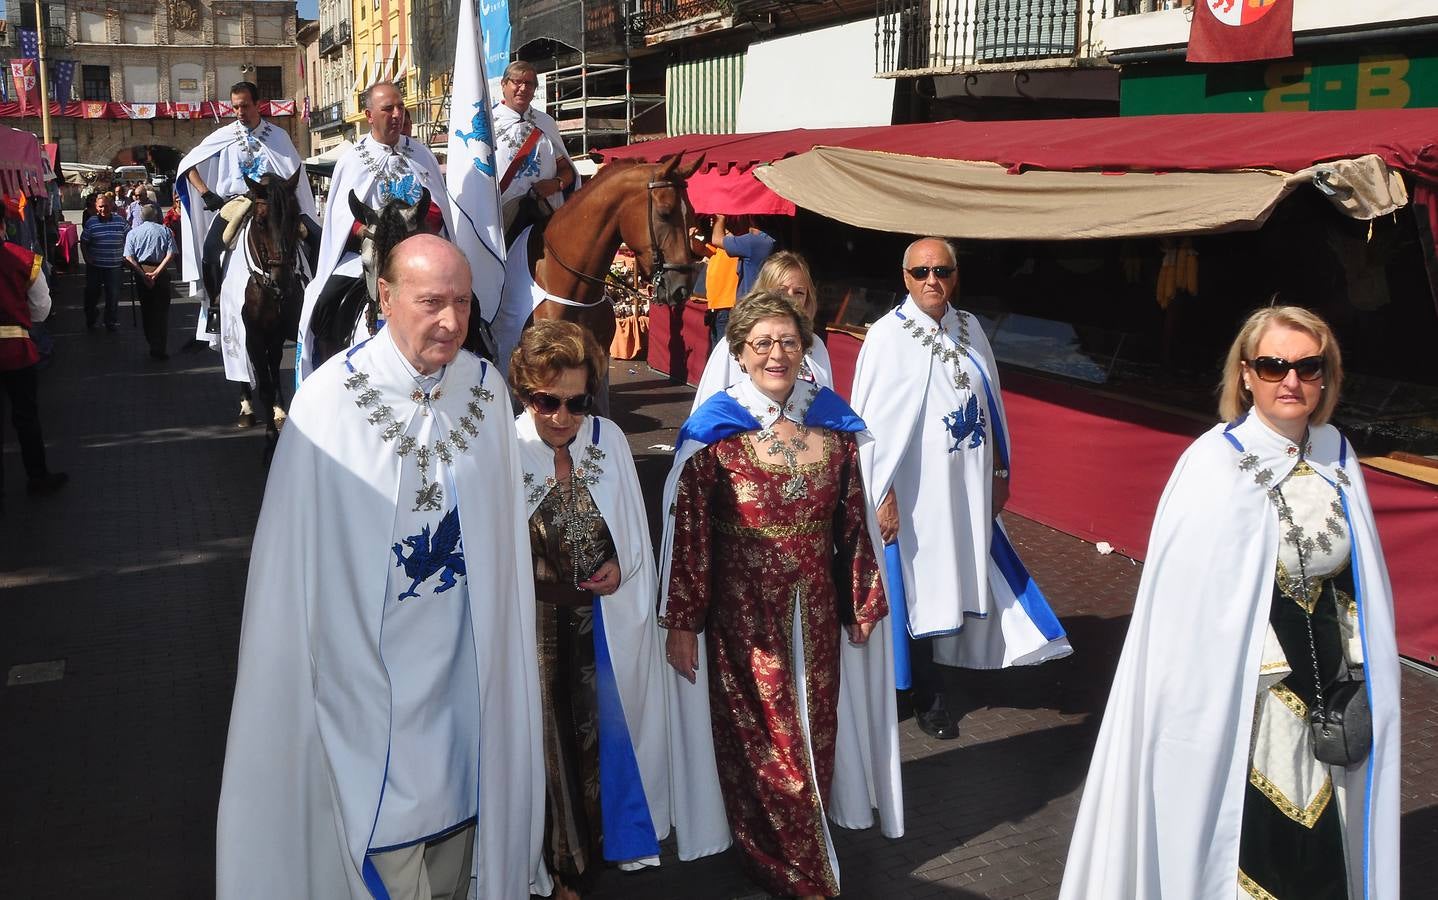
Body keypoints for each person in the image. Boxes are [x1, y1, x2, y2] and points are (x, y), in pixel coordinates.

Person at [216, 235, 546, 899]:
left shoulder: (485, 390)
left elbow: (502, 541)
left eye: (462, 302)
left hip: (464, 689)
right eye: (431, 303)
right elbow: (291, 565)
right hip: (369, 696)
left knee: (456, 864)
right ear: (386, 297)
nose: (451, 321)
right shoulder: (327, 403)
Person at [1059, 306, 1400, 900]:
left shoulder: (1337, 453)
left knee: (1327, 839)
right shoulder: (1214, 464)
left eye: (1308, 367)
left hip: (1331, 688)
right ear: (1245, 374)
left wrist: (1362, 663)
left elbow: (1355, 582)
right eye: (1272, 366)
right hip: (1245, 698)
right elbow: (1190, 610)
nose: (1290, 380)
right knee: (1259, 842)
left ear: (1327, 377)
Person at [659, 291, 903, 899]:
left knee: (814, 736)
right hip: (745, 620)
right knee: (767, 747)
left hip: (815, 616)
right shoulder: (715, 432)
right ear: (739, 353)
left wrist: (860, 601)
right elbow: (689, 536)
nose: (777, 354)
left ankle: (798, 847)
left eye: (789, 342)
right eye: (763, 343)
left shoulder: (833, 424)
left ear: (805, 349)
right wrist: (683, 622)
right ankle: (793, 868)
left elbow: (853, 525)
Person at [850, 237, 1070, 741]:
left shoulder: (970, 327)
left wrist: (999, 473)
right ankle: (922, 693)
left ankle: (935, 676)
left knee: (953, 579)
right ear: (905, 277)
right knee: (914, 585)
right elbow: (871, 425)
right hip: (913, 495)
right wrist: (881, 493)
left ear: (955, 275)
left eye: (942, 270)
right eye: (921, 271)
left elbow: (992, 406)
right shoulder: (886, 336)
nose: (933, 280)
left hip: (964, 489)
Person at [511, 320, 670, 899]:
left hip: (604, 625)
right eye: (546, 401)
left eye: (576, 402)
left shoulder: (609, 440)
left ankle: (616, 841)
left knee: (605, 740)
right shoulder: (505, 448)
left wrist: (622, 566)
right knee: (551, 750)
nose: (562, 416)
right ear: (525, 392)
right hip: (537, 630)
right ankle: (564, 869)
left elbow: (633, 528)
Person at [297, 81, 451, 382]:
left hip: (418, 251)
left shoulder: (421, 155)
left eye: (400, 107)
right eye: (388, 109)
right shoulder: (353, 160)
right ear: (369, 115)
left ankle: (474, 357)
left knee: (467, 298)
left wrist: (417, 224)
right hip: (368, 253)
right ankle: (329, 369)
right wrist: (367, 231)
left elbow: (437, 206)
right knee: (324, 301)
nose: (396, 114)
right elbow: (341, 218)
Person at [176, 81, 319, 346]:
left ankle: (316, 298)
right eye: (235, 107)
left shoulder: (278, 136)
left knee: (317, 237)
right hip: (238, 201)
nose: (239, 112)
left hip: (274, 203)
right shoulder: (225, 135)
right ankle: (215, 305)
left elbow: (294, 176)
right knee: (210, 250)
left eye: (244, 106)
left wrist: (292, 206)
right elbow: (187, 165)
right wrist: (206, 193)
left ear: (257, 105)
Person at [691, 250, 832, 410]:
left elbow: (828, 408)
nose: (790, 299)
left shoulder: (816, 346)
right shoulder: (735, 344)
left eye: (799, 292)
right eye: (781, 291)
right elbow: (710, 410)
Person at [0, 216, 66, 508]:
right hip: (16, 348)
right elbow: (41, 307)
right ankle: (37, 477)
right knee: (26, 416)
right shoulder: (24, 258)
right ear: (3, 226)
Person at [492, 60, 578, 243]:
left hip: (544, 216)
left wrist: (555, 184)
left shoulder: (545, 123)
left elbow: (567, 170)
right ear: (504, 84)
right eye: (517, 82)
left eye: (529, 83)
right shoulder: (487, 124)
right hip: (500, 221)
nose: (523, 88)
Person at [123, 204, 178, 360]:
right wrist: (157, 272)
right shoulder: (165, 231)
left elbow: (128, 257)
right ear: (155, 215)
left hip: (142, 270)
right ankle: (159, 345)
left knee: (147, 309)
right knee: (161, 311)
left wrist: (143, 275)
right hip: (160, 270)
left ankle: (152, 342)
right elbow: (171, 254)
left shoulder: (133, 233)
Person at [711, 214, 775, 328]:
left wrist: (720, 218)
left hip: (749, 308)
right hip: (763, 305)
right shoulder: (767, 241)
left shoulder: (754, 241)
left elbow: (716, 240)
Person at [80, 191, 127, 332]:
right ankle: (91, 319)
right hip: (95, 265)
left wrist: (128, 255)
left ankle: (110, 321)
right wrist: (87, 258)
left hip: (114, 266)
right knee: (92, 294)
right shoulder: (91, 222)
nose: (103, 209)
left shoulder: (120, 220)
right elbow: (83, 242)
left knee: (113, 295)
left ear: (111, 206)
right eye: (100, 206)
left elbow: (129, 238)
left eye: (106, 206)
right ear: (96, 207)